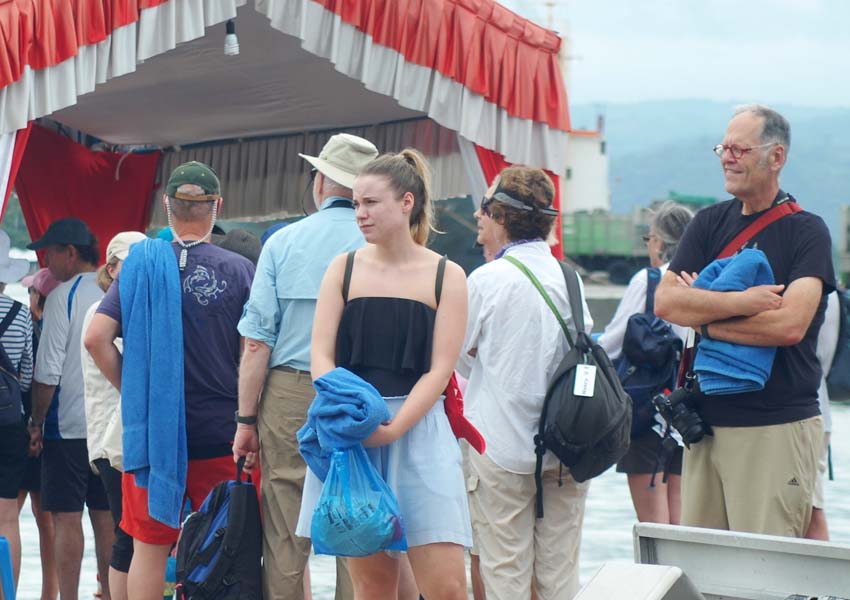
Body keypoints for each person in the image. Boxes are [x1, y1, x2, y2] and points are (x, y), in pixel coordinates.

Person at [291, 148, 470, 599]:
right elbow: (321, 356)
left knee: (447, 585)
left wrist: (393, 428)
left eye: (370, 203)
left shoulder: (447, 276)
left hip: (420, 428)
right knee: (371, 588)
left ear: (406, 202)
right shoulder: (344, 268)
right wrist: (353, 416)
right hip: (351, 431)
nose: (360, 214)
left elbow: (440, 369)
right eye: (355, 203)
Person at [654, 104, 835, 537]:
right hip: (707, 426)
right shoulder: (708, 223)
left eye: (739, 148)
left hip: (775, 424)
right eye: (723, 147)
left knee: (766, 571)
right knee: (706, 571)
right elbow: (665, 303)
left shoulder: (807, 233)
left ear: (776, 158)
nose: (727, 157)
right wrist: (745, 301)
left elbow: (789, 326)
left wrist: (704, 317)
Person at [85, 162, 258, 600]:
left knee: (149, 544)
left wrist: (138, 394)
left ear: (167, 207)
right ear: (216, 207)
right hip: (221, 430)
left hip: (154, 435)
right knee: (226, 544)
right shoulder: (239, 271)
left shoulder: (138, 267)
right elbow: (252, 351)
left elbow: (96, 338)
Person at [234, 133, 379, 600]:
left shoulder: (283, 242)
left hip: (290, 391)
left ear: (320, 182)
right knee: (357, 518)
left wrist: (246, 420)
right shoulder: (381, 245)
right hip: (362, 395)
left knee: (284, 526)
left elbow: (256, 344)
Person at [458, 166, 592, 600]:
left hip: (499, 446)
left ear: (500, 216)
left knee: (505, 579)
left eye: (484, 208)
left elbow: (458, 356)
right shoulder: (570, 279)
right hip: (567, 448)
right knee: (559, 581)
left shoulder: (486, 280)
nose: (479, 217)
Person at [26, 218, 114, 600]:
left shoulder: (63, 297)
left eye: (50, 253)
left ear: (71, 253)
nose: (46, 262)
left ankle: (69, 597)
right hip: (111, 428)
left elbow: (48, 373)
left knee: (65, 516)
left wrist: (36, 421)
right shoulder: (114, 291)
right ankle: (113, 593)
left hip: (68, 427)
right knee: (107, 518)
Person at [597, 202, 693, 524]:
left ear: (660, 242)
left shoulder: (651, 281)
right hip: (688, 415)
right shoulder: (702, 280)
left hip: (647, 411)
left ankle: (657, 574)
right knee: (679, 522)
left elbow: (612, 342)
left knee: (652, 523)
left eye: (649, 238)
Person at [82, 231, 147, 600]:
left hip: (121, 439)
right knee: (129, 534)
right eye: (130, 266)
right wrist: (141, 396)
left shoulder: (117, 307)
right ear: (111, 268)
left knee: (132, 533)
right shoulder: (105, 312)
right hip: (114, 443)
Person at [18, 266, 62, 600]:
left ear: (38, 299)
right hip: (52, 434)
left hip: (22, 431)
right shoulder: (59, 331)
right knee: (47, 520)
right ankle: (52, 593)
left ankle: (9, 588)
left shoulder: (29, 330)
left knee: (8, 516)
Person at [0, 230, 34, 595]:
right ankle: (7, 593)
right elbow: (26, 375)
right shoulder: (20, 314)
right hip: (9, 421)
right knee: (8, 516)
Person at [806, 289, 840, 540]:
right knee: (812, 504)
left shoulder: (823, 293)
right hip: (817, 405)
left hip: (808, 412)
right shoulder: (831, 293)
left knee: (812, 508)